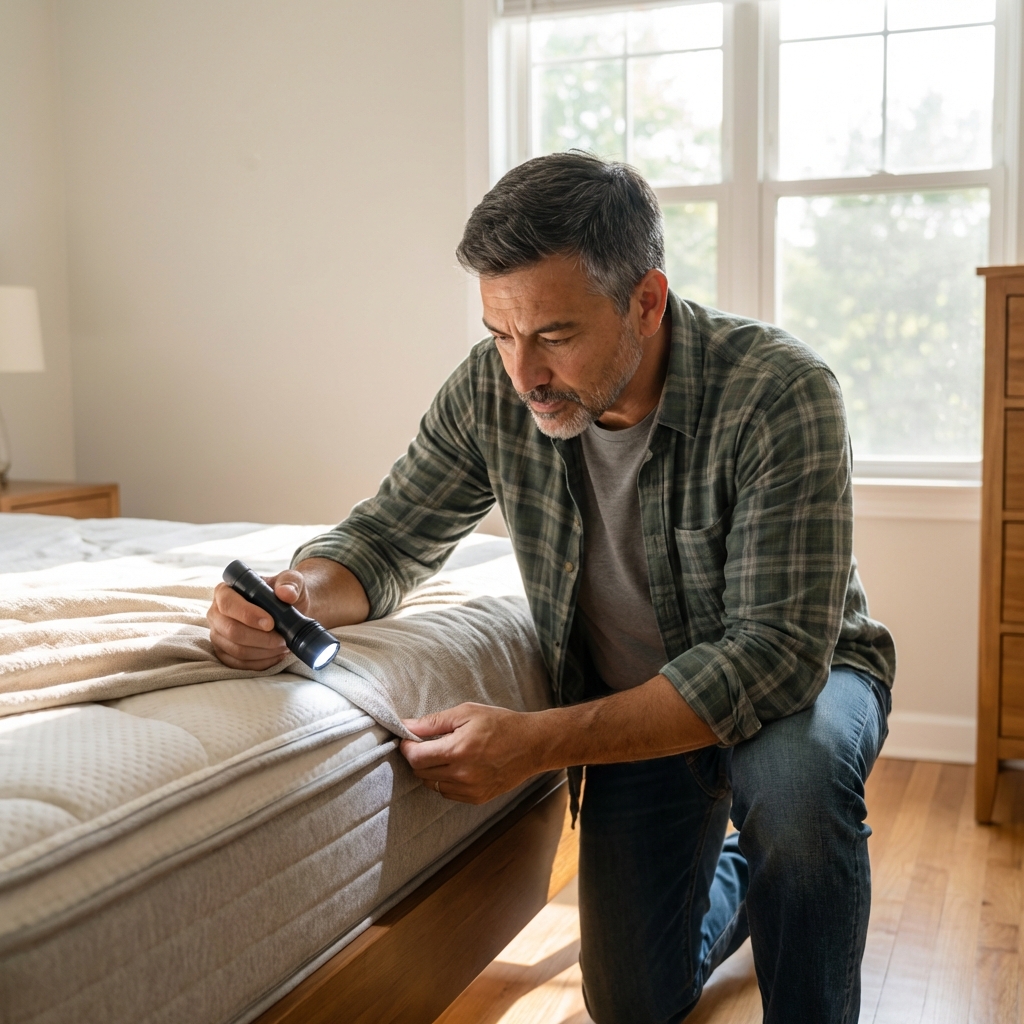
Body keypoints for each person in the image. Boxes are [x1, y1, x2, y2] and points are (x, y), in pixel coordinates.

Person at [207, 151, 896, 1024]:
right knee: (633, 1003)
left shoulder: (779, 392)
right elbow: (384, 540)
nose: (522, 373)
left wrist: (539, 742)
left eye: (554, 335)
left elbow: (773, 656)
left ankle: (793, 892)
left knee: (795, 799)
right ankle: (759, 880)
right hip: (641, 706)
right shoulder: (491, 393)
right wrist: (295, 593)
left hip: (806, 683)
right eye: (501, 332)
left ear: (646, 301)